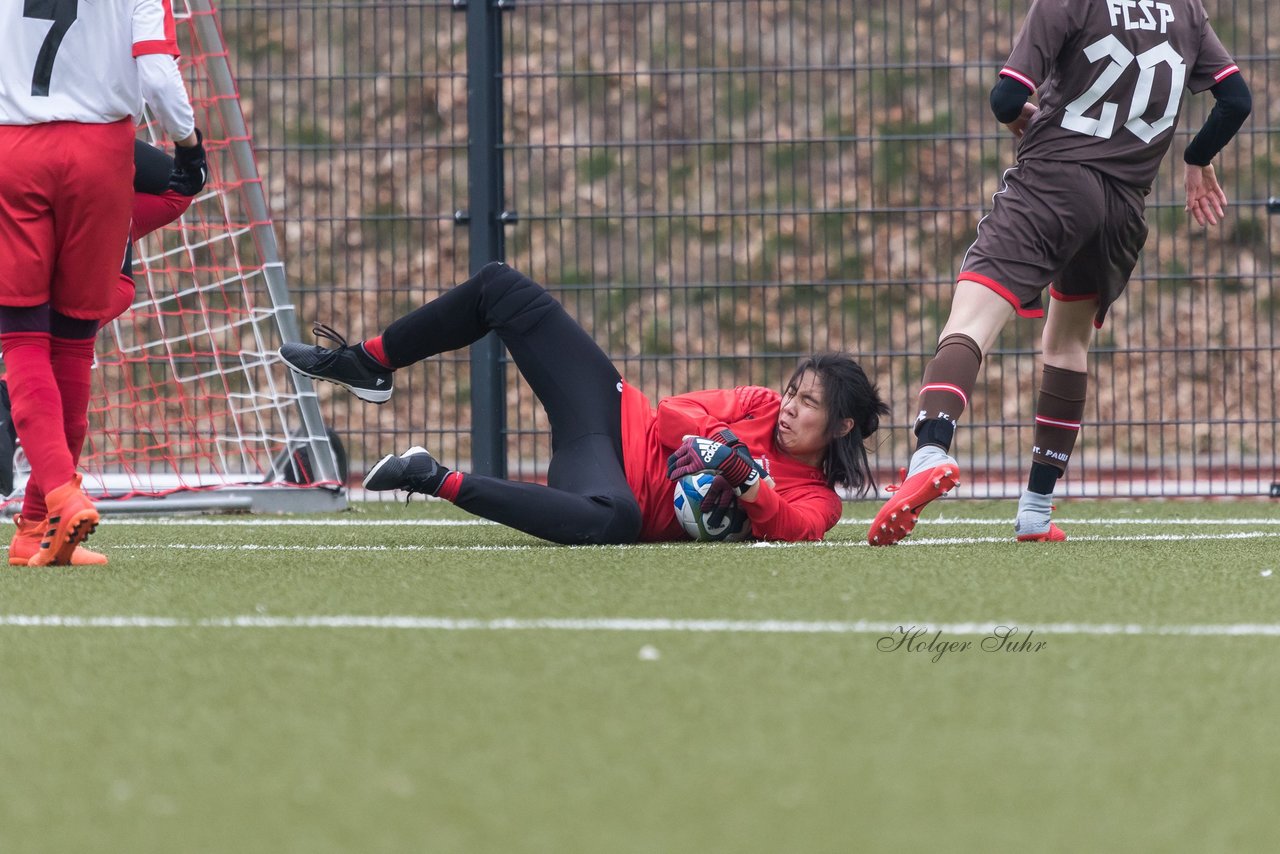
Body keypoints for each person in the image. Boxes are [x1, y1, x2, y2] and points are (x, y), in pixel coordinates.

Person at [868, 0, 1251, 546]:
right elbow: (1236, 99)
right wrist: (1197, 157)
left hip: (1052, 183)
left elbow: (1006, 96)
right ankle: (1036, 511)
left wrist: (1018, 118)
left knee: (972, 318)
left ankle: (929, 452)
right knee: (1068, 345)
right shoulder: (1185, 9)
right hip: (1122, 207)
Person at [280, 263, 890, 544]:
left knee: (614, 520)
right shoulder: (757, 402)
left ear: (841, 426)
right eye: (793, 391)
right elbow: (676, 412)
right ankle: (371, 361)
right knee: (502, 288)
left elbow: (790, 526)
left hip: (604, 478)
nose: (788, 406)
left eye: (808, 404)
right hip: (607, 409)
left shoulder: (821, 502)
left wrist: (744, 474)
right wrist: (709, 443)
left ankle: (433, 477)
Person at [1, 0, 206, 565]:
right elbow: (159, 74)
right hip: (100, 154)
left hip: (14, 148)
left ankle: (50, 507)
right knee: (72, 342)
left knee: (22, 338)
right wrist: (188, 142)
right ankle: (43, 516)